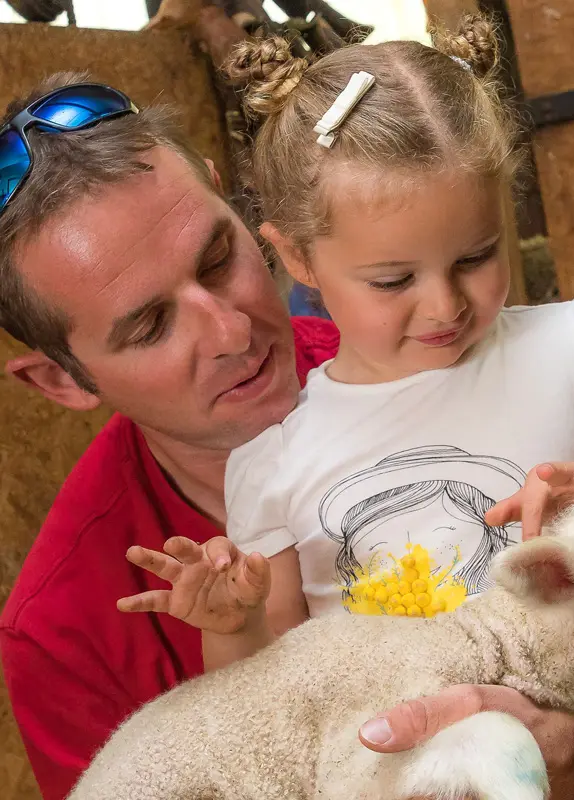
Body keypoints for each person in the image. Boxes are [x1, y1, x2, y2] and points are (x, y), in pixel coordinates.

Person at [116, 15, 574, 800]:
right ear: (297, 256)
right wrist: (234, 627)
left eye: (476, 257)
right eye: (393, 280)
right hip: (418, 763)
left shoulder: (572, 348)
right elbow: (273, 692)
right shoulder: (273, 465)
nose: (445, 304)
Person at [0, 74, 340, 800]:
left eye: (218, 260)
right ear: (64, 382)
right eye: (151, 325)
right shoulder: (62, 634)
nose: (233, 330)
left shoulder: (449, 350)